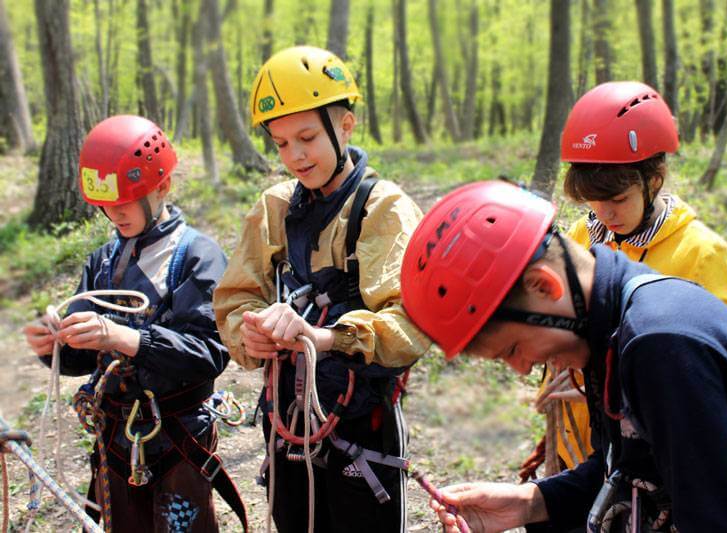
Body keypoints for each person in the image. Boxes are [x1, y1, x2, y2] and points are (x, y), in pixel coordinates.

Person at [399, 180, 727, 532]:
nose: (522, 368)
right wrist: (529, 503)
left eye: (512, 350)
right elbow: (633, 464)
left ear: (544, 287)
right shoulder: (610, 326)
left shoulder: (659, 344)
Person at [213, 45, 430, 533]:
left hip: (361, 428)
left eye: (307, 137)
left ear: (346, 126)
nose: (295, 156)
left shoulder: (383, 208)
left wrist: (328, 337)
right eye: (281, 143)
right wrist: (249, 334)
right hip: (286, 423)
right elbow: (235, 298)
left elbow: (411, 322)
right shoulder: (272, 208)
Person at [22, 115, 242, 533]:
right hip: (115, 441)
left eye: (125, 201)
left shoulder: (197, 257)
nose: (113, 212)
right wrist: (53, 345)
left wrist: (126, 337)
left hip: (179, 439)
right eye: (107, 203)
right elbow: (84, 360)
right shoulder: (103, 262)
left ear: (162, 188)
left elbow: (209, 354)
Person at [522, 81, 727, 479]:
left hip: (659, 464)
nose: (605, 213)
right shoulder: (580, 242)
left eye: (618, 199)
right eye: (593, 199)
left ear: (654, 178)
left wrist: (606, 391)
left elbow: (721, 376)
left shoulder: (701, 254)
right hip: (582, 454)